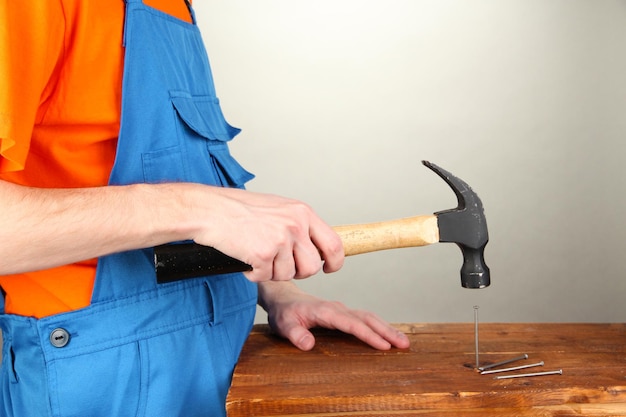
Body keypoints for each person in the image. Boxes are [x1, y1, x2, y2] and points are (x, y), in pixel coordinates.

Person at [0, 1, 409, 416]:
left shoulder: (172, 7)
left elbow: (192, 205)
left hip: (216, 358)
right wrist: (197, 206)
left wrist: (277, 290)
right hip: (102, 378)